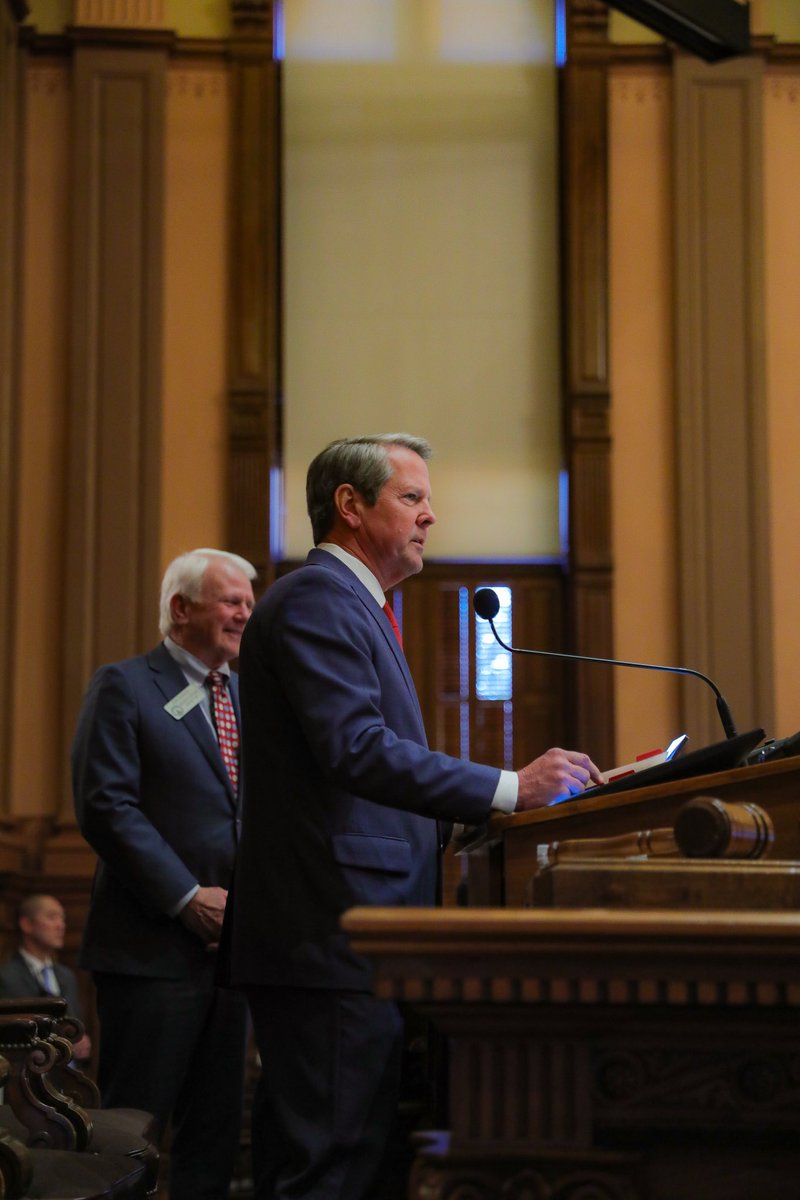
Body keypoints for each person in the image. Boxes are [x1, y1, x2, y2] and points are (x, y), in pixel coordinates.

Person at [221, 434, 602, 1200]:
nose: (433, 515)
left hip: (354, 935)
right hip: (330, 935)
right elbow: (355, 749)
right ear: (350, 506)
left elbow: (347, 781)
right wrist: (507, 788)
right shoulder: (316, 600)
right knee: (325, 1168)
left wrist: (465, 823)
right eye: (412, 498)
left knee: (352, 1159)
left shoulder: (356, 605)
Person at [71, 547, 256, 1200]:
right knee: (131, 1136)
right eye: (231, 600)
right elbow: (106, 806)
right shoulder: (124, 685)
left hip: (232, 956)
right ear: (182, 609)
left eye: (248, 601)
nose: (245, 613)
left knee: (214, 1137)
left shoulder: (246, 697)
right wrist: (186, 898)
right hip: (151, 950)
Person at [0, 893, 92, 1061]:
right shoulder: (6, 976)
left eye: (62, 919)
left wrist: (81, 1041)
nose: (61, 925)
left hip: (68, 1074)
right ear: (27, 925)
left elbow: (75, 1022)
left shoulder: (67, 976)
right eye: (52, 917)